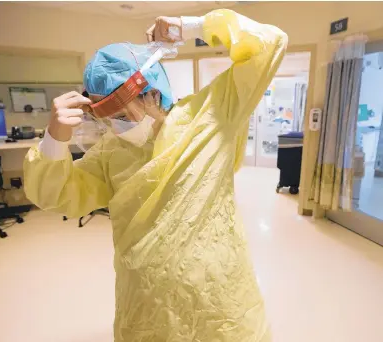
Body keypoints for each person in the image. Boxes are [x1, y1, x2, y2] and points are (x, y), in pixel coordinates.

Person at [24, 9, 287, 342]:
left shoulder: (211, 114)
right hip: (148, 311)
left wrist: (194, 26)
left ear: (151, 92)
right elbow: (58, 195)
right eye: (107, 119)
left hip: (223, 307)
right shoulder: (110, 151)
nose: (115, 127)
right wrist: (54, 137)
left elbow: (270, 43)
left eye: (122, 114)